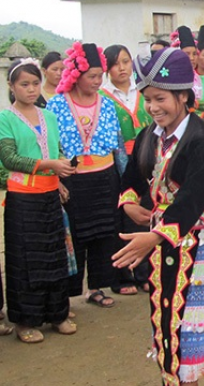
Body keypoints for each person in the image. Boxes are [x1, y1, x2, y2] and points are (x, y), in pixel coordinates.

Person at [114, 47, 204, 385]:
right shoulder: (149, 136)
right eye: (147, 100)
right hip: (167, 238)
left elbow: (193, 197)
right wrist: (129, 203)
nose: (153, 107)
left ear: (183, 96)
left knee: (185, 324)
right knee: (165, 314)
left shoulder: (201, 140)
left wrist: (154, 236)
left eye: (160, 98)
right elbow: (132, 177)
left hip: (201, 241)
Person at [1, 59, 77, 343]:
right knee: (26, 259)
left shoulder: (49, 117)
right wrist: (51, 165)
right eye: (24, 84)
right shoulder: (5, 119)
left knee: (54, 255)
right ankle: (25, 321)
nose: (31, 89)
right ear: (12, 86)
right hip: (23, 198)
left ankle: (57, 314)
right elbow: (10, 159)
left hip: (49, 194)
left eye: (35, 83)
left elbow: (56, 150)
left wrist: (59, 177)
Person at [46, 42, 124, 309]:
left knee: (104, 233)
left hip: (105, 178)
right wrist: (56, 180)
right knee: (75, 234)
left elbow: (118, 147)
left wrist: (124, 182)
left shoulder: (108, 104)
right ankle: (70, 292)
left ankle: (97, 287)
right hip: (73, 179)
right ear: (76, 76)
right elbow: (49, 146)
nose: (97, 81)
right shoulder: (56, 106)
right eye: (91, 76)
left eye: (100, 76)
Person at [101, 44, 153, 295]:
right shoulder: (102, 96)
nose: (121, 68)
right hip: (117, 161)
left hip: (146, 159)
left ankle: (145, 273)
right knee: (121, 219)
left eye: (125, 61)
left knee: (144, 216)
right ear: (107, 69)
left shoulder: (143, 91)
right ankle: (122, 275)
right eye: (115, 64)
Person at [171, 25, 204, 121]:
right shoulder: (171, 83)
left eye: (194, 54)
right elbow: (175, 109)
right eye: (187, 54)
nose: (192, 58)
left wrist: (197, 104)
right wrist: (203, 115)